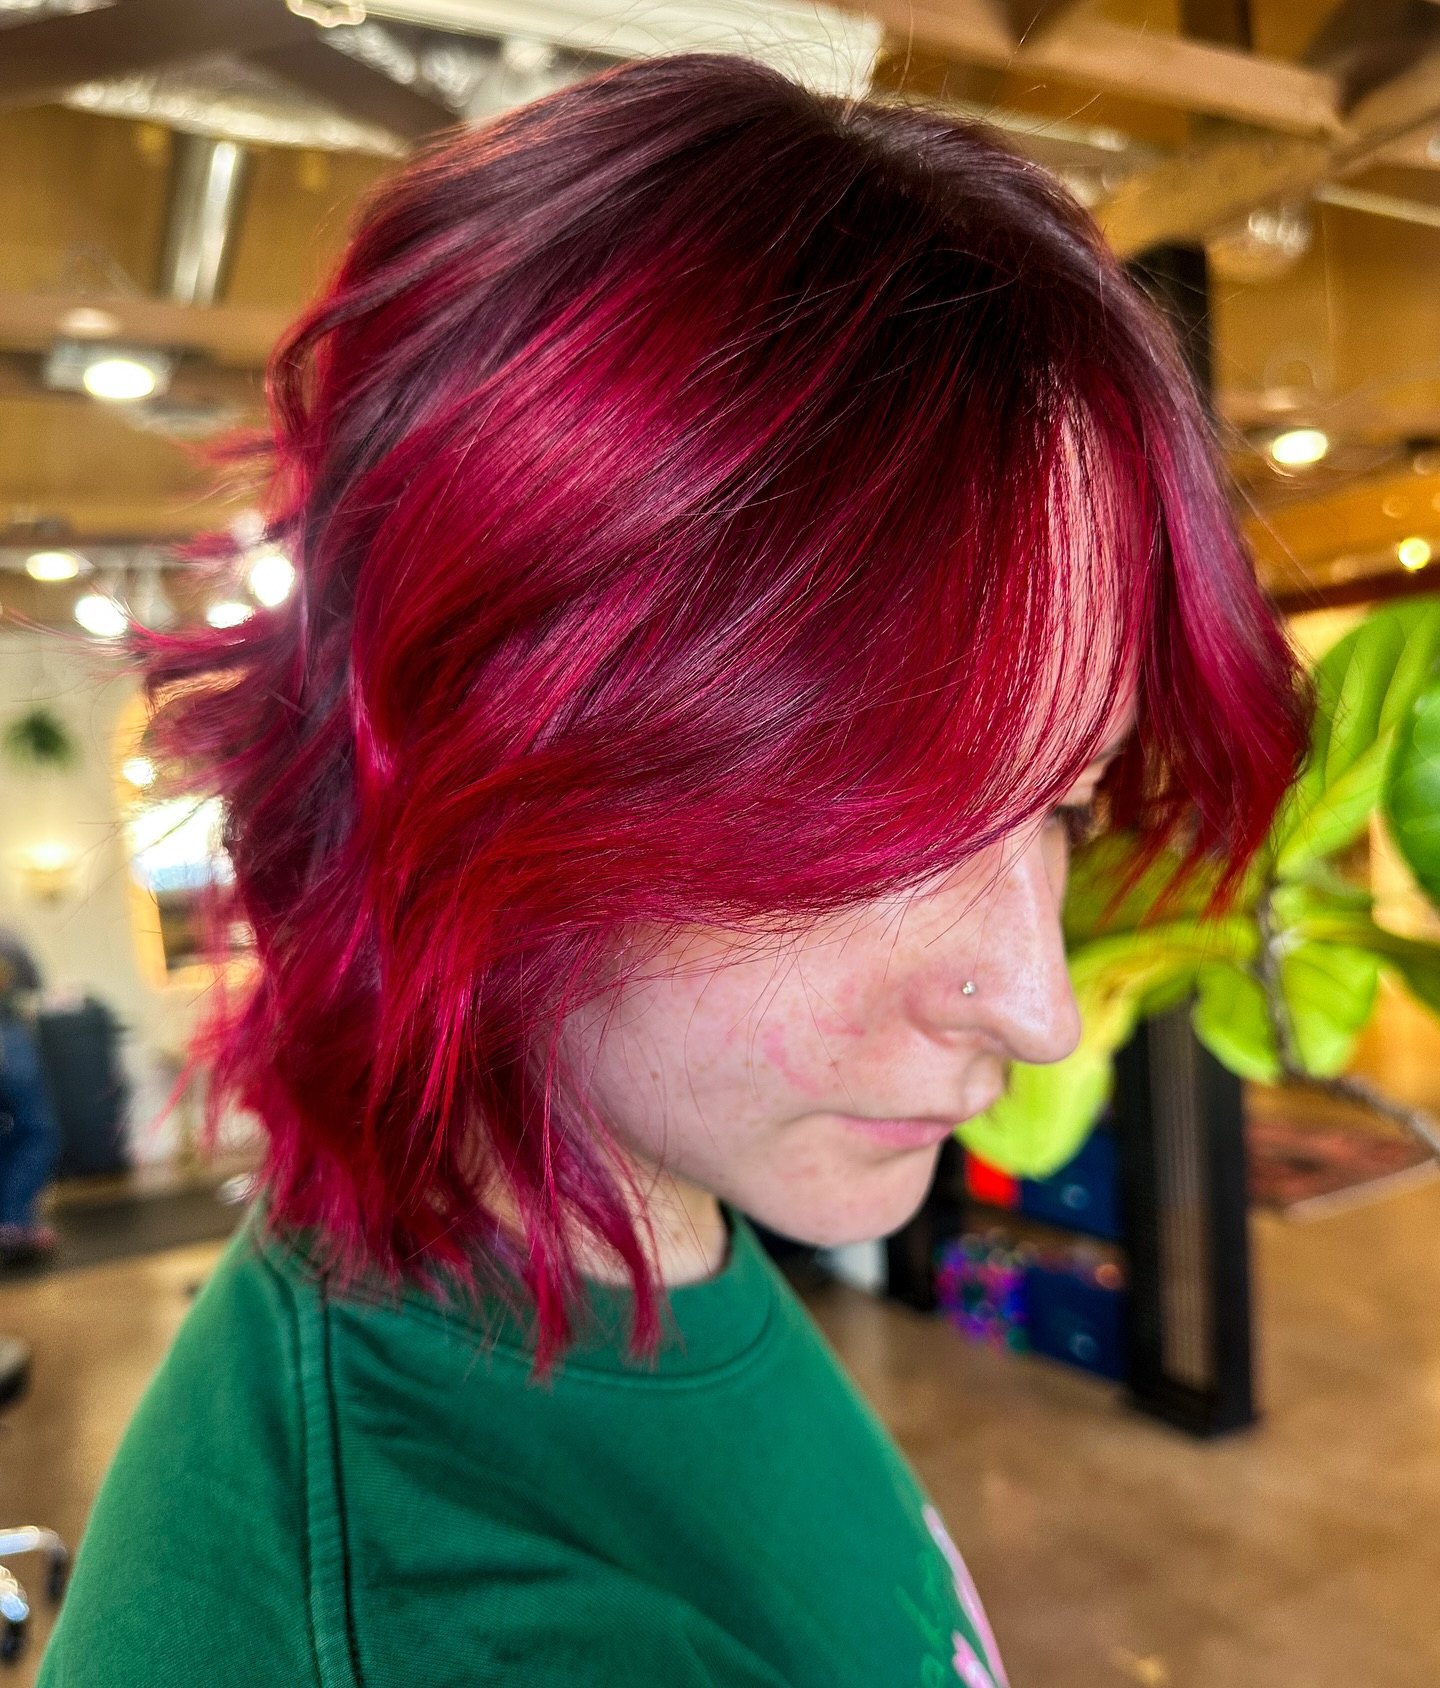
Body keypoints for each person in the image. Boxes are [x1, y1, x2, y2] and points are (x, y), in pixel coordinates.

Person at [39, 56, 1305, 1688]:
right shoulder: (445, 1619)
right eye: (877, 832)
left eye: (1059, 802)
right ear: (476, 763)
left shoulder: (646, 1229)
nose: (1042, 1005)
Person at [0, 925, 57, 1264]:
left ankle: (12, 1221)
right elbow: (36, 985)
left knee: (6, 1139)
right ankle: (14, 1221)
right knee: (38, 1133)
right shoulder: (7, 938)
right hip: (8, 1043)